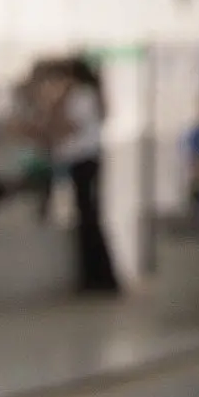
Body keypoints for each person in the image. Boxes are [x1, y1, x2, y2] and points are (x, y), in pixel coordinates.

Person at [51, 56, 118, 292]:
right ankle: (96, 276)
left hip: (83, 160)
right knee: (87, 218)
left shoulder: (81, 95)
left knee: (88, 218)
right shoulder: (88, 95)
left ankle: (98, 278)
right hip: (86, 159)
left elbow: (70, 125)